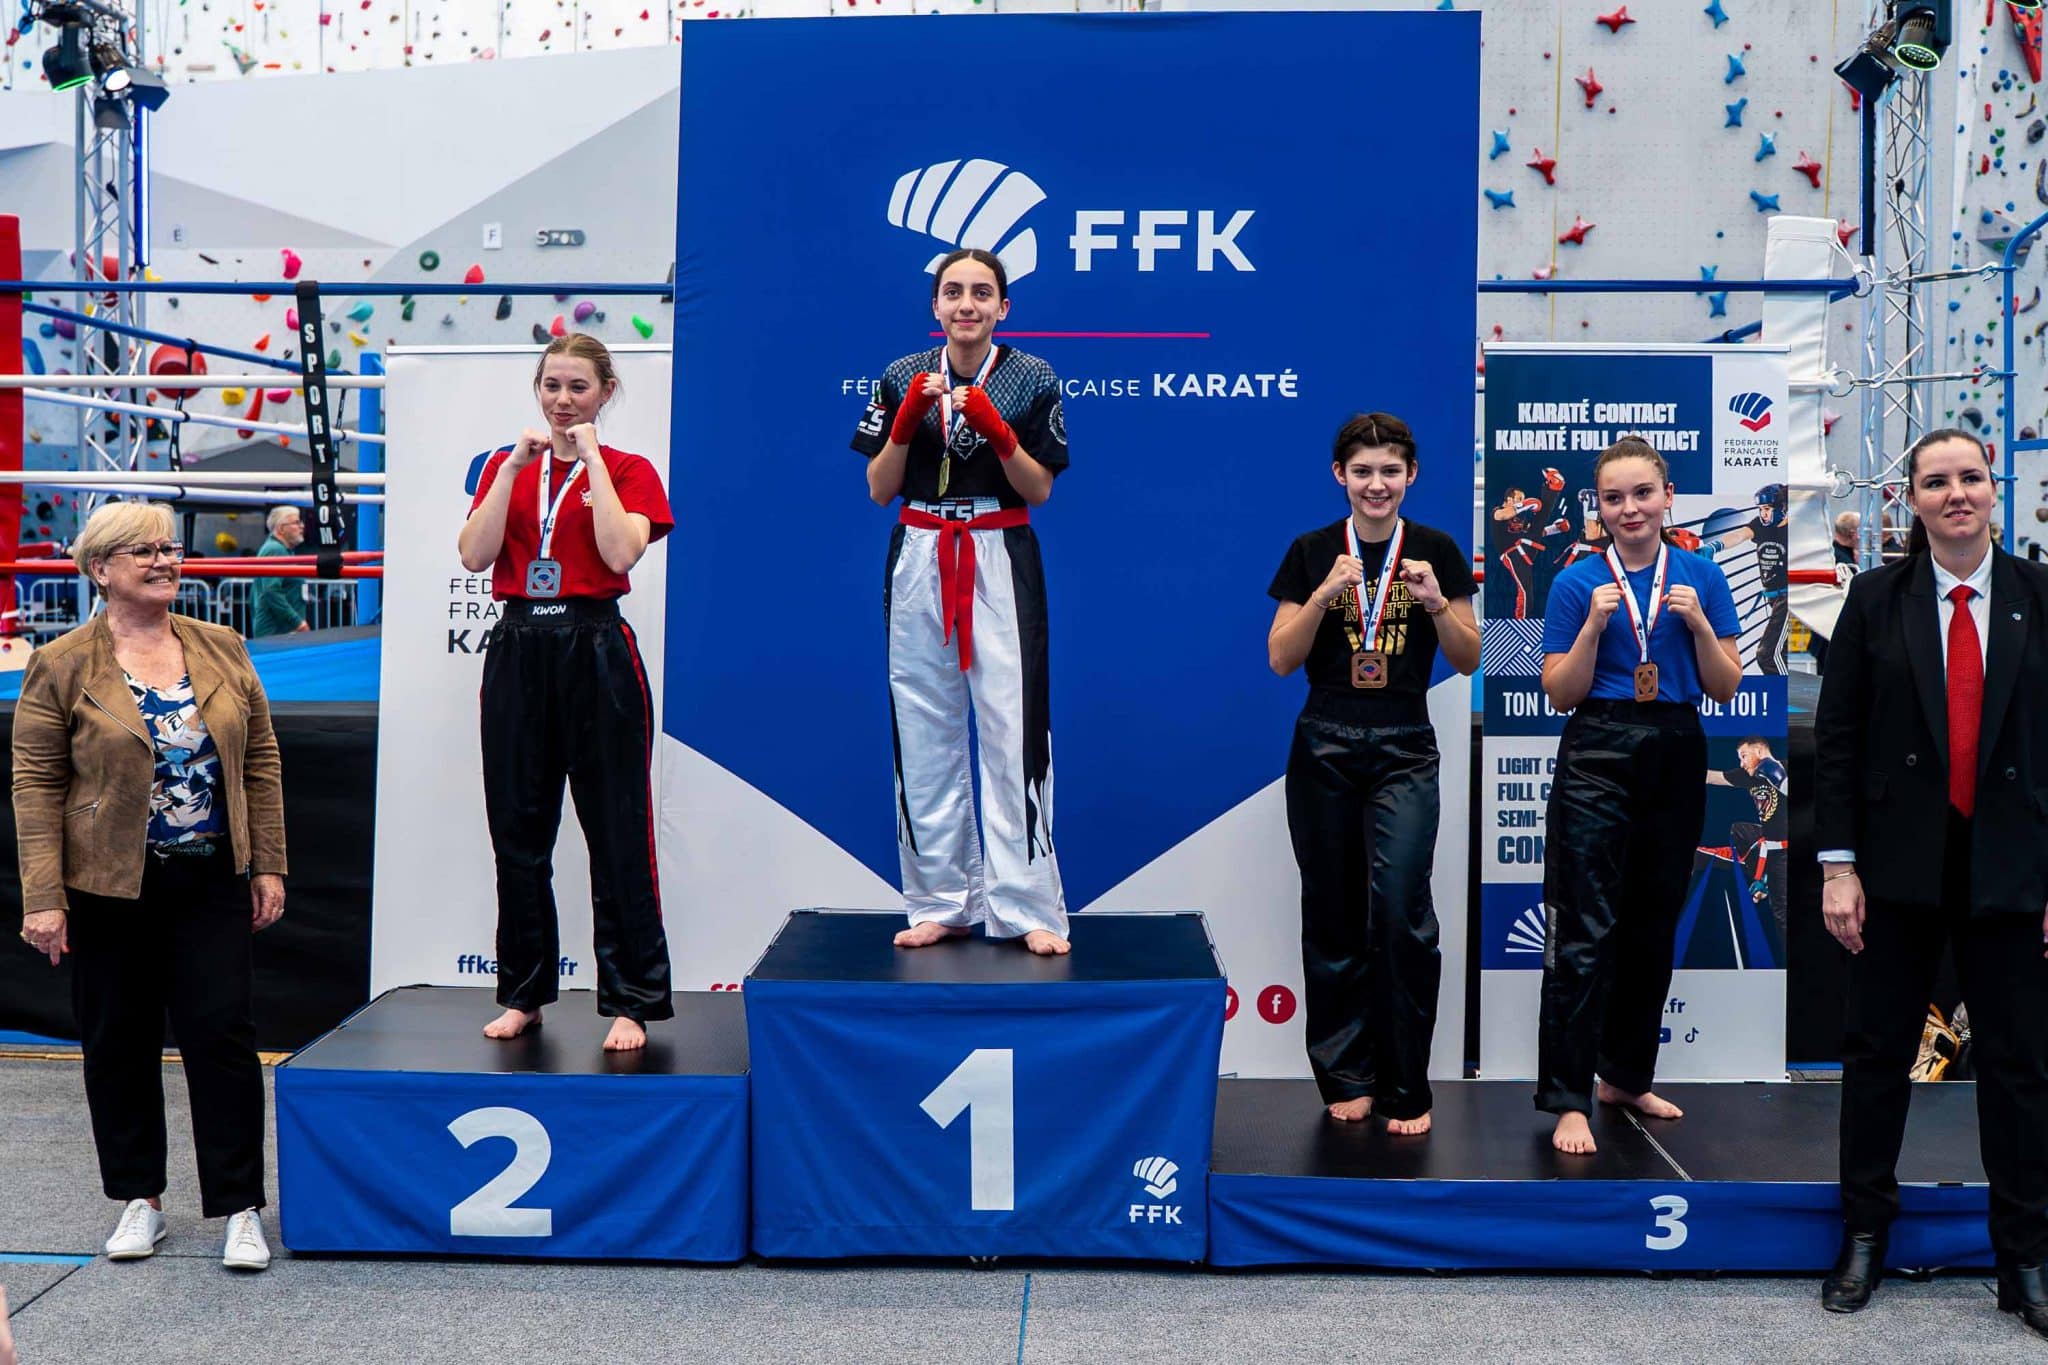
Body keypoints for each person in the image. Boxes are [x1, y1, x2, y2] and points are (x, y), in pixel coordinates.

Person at [1812, 428, 2048, 1338]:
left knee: (2020, 1069)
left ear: (1994, 489)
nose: (1957, 493)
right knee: (1877, 1059)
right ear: (1910, 498)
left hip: (2013, 866)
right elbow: (1837, 741)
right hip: (1893, 869)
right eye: (1936, 481)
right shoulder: (1875, 601)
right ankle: (1864, 1235)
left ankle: (2025, 1258)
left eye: (1971, 478)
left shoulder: (2040, 596)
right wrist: (1838, 865)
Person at [12, 500, 285, 1271]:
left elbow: (260, 758)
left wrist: (268, 860)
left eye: (169, 548)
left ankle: (240, 1206)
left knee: (223, 1038)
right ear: (101, 569)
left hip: (211, 877)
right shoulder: (61, 661)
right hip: (106, 887)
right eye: (144, 550)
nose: (164, 560)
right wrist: (43, 896)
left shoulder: (222, 645)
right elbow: (35, 781)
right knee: (117, 1041)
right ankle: (140, 1197)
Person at [456, 333, 675, 1051]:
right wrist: (513, 470)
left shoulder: (630, 469)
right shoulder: (507, 464)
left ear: (605, 393)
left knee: (617, 832)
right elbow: (474, 554)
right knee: (517, 833)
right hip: (519, 644)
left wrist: (593, 465)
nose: (562, 399)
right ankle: (524, 993)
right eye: (552, 385)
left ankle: (632, 1000)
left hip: (596, 644)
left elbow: (619, 551)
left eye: (578, 386)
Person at [851, 247, 1071, 956]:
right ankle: (940, 901)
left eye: (981, 292)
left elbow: (1039, 489)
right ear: (936, 306)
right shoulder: (901, 376)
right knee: (922, 726)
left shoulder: (1032, 376)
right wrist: (905, 425)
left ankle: (1026, 905)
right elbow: (879, 489)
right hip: (921, 548)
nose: (966, 304)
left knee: (1013, 726)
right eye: (953, 292)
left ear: (1003, 306)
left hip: (999, 548)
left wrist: (1001, 433)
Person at [1267, 413, 1479, 1134]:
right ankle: (1346, 1073)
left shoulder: (1437, 550)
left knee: (1399, 912)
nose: (1377, 484)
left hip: (1404, 741)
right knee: (1332, 911)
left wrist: (1437, 604)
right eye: (1363, 471)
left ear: (1411, 475)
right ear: (1340, 475)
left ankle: (1405, 1082)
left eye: (1390, 470)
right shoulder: (1312, 550)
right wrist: (1325, 593)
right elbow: (1281, 658)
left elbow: (1468, 658)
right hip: (1325, 739)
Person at [1535, 436, 1743, 1155]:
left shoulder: (1702, 574)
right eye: (1614, 497)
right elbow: (1559, 692)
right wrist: (1594, 626)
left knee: (1653, 922)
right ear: (1598, 506)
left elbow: (1725, 684)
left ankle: (1625, 1077)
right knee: (1584, 926)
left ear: (1667, 497)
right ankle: (1568, 1097)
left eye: (1642, 494)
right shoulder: (1576, 583)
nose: (1630, 508)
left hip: (1676, 742)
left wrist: (1698, 624)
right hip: (1598, 743)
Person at [1705, 735, 1788, 950]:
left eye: (1744, 756)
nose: (1741, 763)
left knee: (1782, 912)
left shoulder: (1786, 768)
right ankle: (1762, 878)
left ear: (1759, 751)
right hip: (1768, 842)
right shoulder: (1748, 776)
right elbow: (1714, 778)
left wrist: (1779, 778)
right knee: (1740, 830)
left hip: (1786, 848)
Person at [1697, 484, 1789, 673]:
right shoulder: (1760, 525)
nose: (1763, 514)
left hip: (1789, 599)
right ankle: (1784, 687)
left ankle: (1781, 690)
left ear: (1783, 508)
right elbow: (1740, 535)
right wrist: (1715, 546)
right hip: (1774, 599)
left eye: (1767, 509)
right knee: (1781, 654)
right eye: (1761, 509)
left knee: (1768, 655)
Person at [250, 506, 308, 637]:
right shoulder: (275, 550)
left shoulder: (281, 550)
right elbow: (271, 591)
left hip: (282, 631)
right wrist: (297, 622)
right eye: (296, 522)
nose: (302, 526)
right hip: (278, 632)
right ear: (281, 529)